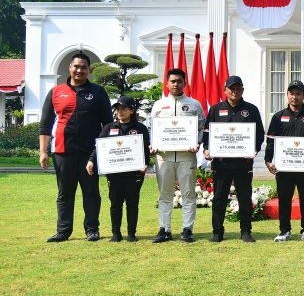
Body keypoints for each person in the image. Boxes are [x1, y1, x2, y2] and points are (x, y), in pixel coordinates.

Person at [39, 52, 113, 242]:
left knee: (91, 192)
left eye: (84, 67)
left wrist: (102, 152)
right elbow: (45, 124)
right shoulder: (56, 92)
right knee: (65, 193)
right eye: (76, 66)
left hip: (90, 153)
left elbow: (108, 124)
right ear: (69, 68)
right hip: (63, 151)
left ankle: (92, 229)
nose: (79, 70)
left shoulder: (98, 92)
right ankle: (63, 231)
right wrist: (43, 151)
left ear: (89, 70)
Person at [204, 76, 265, 242]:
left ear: (243, 90)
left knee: (244, 198)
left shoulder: (251, 110)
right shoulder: (215, 110)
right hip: (221, 163)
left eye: (238, 88)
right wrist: (207, 149)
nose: (235, 91)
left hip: (243, 163)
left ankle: (246, 231)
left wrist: (254, 149)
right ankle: (217, 232)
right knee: (219, 199)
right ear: (225, 90)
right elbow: (207, 132)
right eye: (231, 88)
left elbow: (259, 133)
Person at [149, 68, 206, 243]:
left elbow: (202, 128)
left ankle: (187, 229)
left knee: (188, 194)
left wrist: (197, 142)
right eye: (172, 81)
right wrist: (153, 145)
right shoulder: (159, 105)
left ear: (184, 83)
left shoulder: (194, 104)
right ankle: (164, 229)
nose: (175, 84)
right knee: (165, 194)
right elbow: (152, 128)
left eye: (179, 81)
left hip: (186, 156)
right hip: (163, 157)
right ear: (167, 83)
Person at [265, 80, 304, 242]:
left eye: (298, 93)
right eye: (291, 93)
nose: (294, 97)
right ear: (287, 95)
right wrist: (268, 161)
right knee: (284, 199)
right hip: (284, 168)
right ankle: (284, 230)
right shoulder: (278, 117)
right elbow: (271, 141)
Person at [88, 96, 150, 242]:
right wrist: (91, 160)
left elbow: (145, 150)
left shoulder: (140, 128)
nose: (120, 112)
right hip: (114, 174)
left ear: (131, 110)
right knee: (115, 203)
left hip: (134, 174)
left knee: (132, 203)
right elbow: (99, 147)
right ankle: (116, 233)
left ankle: (131, 233)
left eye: (123, 109)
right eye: (117, 109)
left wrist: (145, 164)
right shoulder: (109, 128)